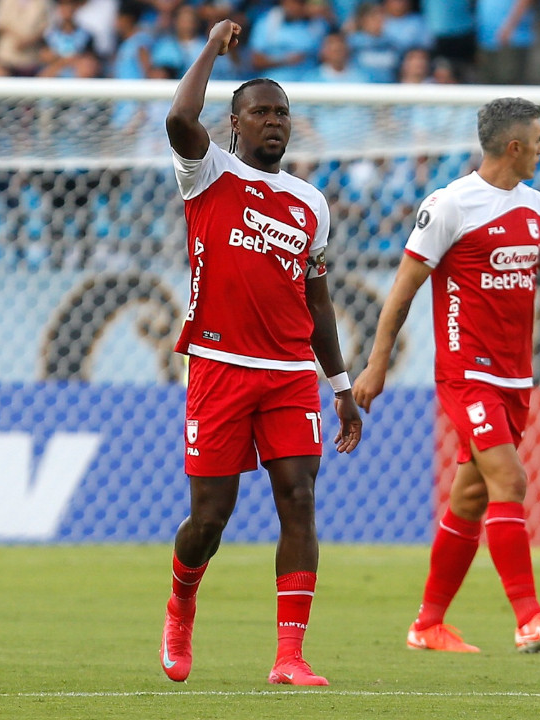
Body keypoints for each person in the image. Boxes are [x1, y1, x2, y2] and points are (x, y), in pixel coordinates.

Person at [352, 97, 540, 654]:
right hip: (465, 372)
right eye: (538, 139)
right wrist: (377, 361)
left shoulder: (537, 207)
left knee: (472, 497)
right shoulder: (451, 205)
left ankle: (427, 624)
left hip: (514, 376)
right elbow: (404, 288)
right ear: (514, 146)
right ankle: (529, 616)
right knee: (511, 480)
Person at [160, 18, 362, 687]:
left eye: (282, 113)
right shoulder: (206, 174)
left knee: (299, 498)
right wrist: (214, 47)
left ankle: (289, 656)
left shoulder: (310, 203)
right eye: (261, 113)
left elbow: (319, 301)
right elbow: (179, 114)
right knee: (210, 518)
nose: (274, 122)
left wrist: (340, 384)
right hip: (219, 367)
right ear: (235, 124)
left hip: (288, 376)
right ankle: (182, 600)